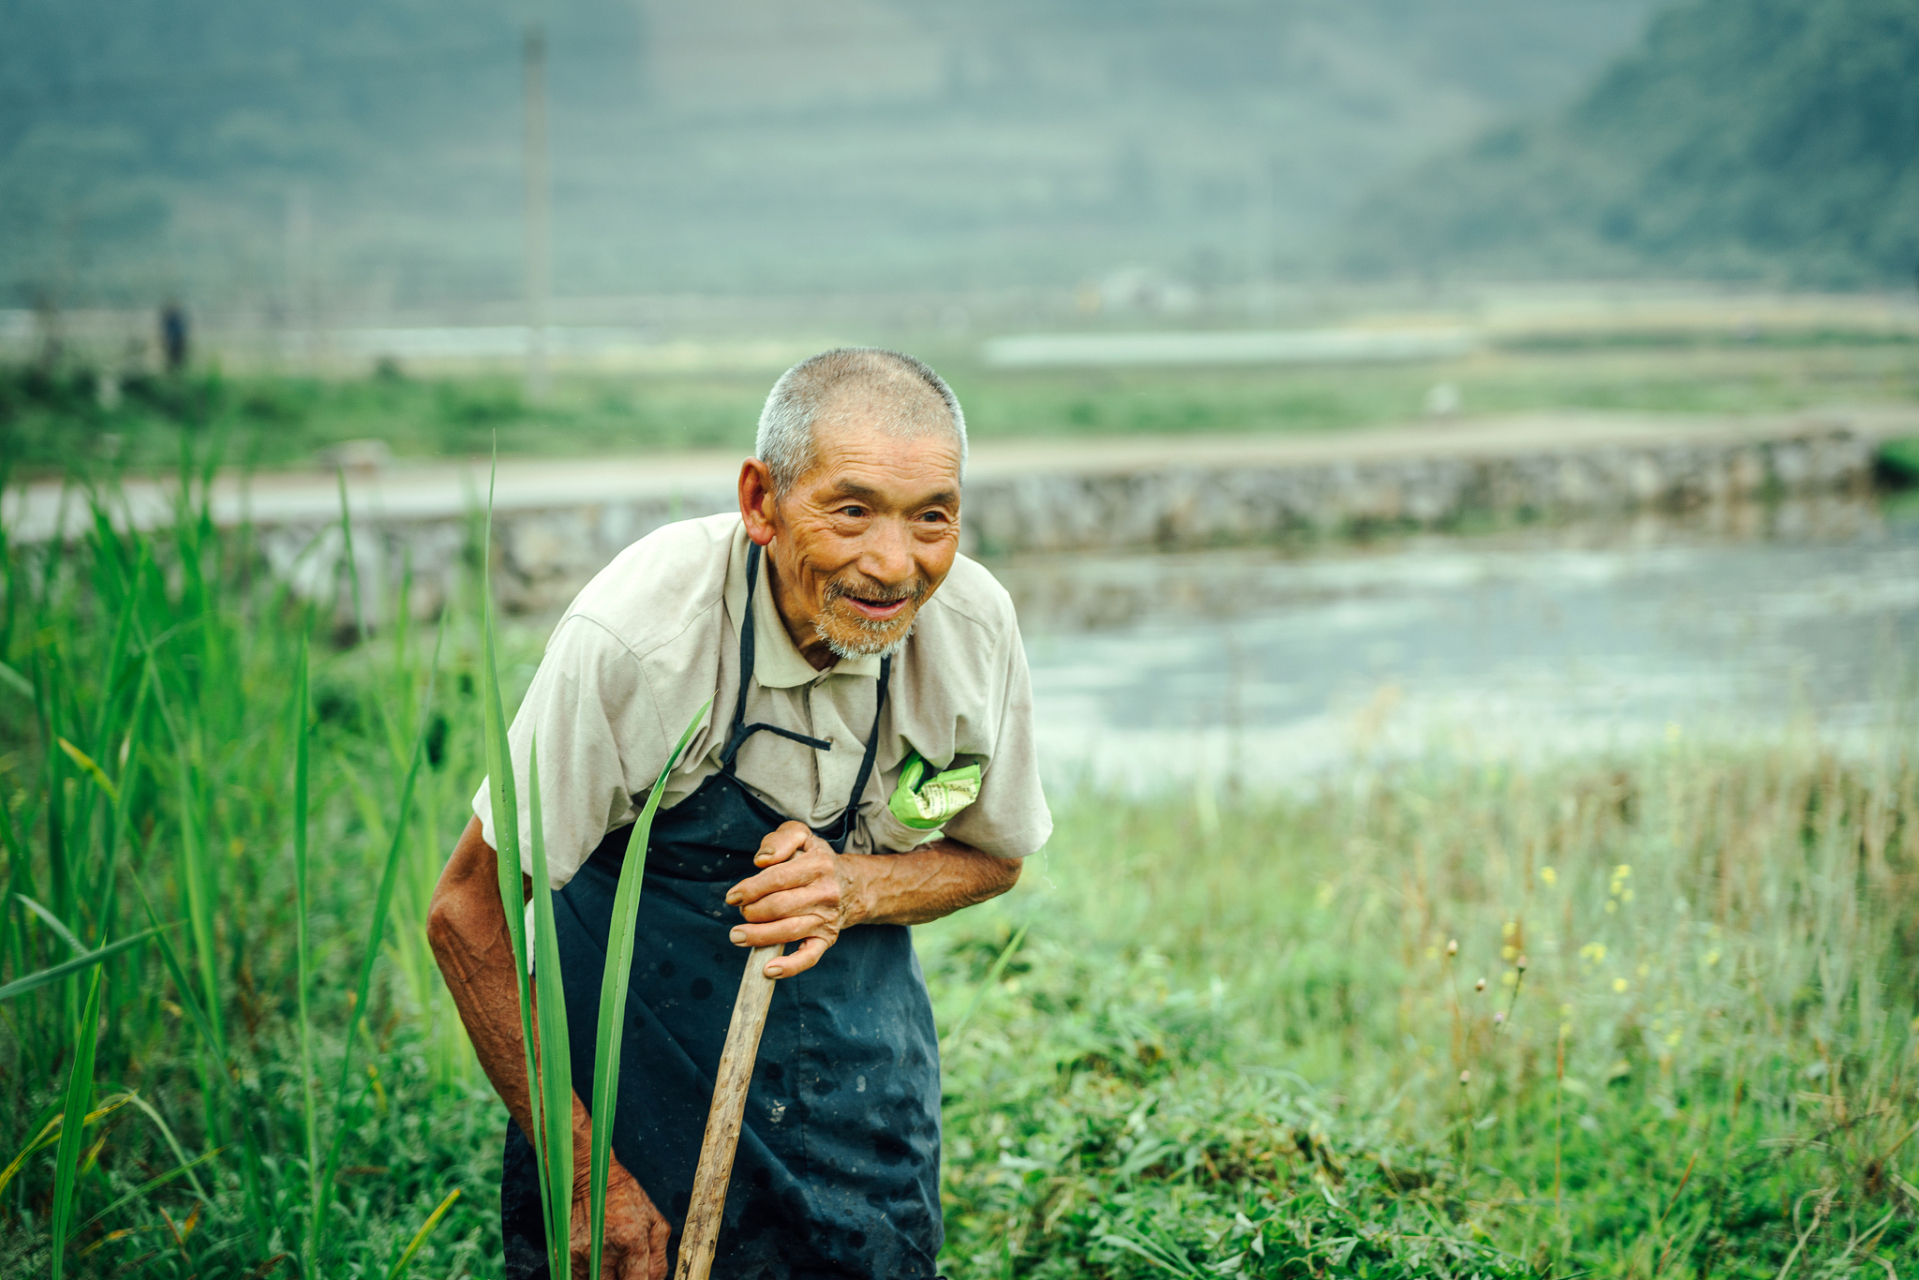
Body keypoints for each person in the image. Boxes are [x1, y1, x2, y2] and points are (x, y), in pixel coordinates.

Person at [428, 348, 1052, 1280]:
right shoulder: (642, 638)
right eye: (851, 510)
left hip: (861, 1091)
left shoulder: (971, 629)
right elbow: (465, 911)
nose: (895, 565)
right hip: (626, 1085)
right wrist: (586, 1179)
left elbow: (994, 857)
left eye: (932, 518)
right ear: (761, 501)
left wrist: (855, 886)